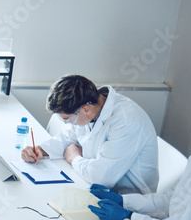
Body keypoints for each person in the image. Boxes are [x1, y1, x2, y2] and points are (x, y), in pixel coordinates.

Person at [21, 74, 158, 194]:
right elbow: (68, 138)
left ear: (86, 109)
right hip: (90, 186)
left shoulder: (127, 121)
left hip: (125, 202)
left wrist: (74, 157)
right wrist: (40, 150)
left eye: (68, 119)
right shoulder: (91, 108)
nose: (68, 123)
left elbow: (102, 177)